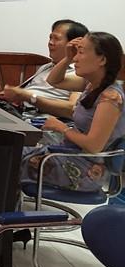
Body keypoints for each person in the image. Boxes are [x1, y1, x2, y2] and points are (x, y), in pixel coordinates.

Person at [21, 31, 125, 192]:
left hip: (84, 169)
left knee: (10, 159)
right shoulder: (91, 85)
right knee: (11, 152)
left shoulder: (110, 97)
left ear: (102, 59)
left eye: (81, 52)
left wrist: (62, 128)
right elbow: (54, 80)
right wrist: (67, 58)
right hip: (67, 154)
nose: (76, 58)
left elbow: (93, 146)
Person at [0, 19, 88, 118]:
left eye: (56, 39)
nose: (50, 42)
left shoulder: (80, 73)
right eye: (50, 38)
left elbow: (72, 109)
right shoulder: (47, 67)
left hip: (38, 120)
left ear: (74, 45)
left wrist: (29, 97)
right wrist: (14, 95)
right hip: (18, 112)